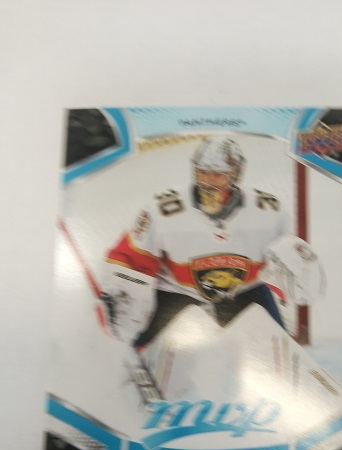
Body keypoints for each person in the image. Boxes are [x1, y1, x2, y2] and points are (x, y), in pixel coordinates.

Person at [101, 137, 322, 349]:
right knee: (140, 347)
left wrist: (296, 270)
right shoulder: (160, 211)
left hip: (245, 292)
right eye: (203, 172)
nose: (208, 181)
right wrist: (120, 290)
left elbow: (282, 258)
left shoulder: (269, 211)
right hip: (177, 293)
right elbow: (130, 258)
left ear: (236, 174)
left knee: (279, 351)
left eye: (219, 175)